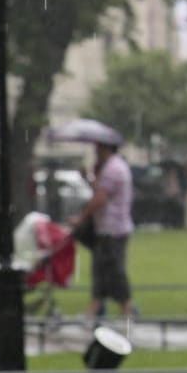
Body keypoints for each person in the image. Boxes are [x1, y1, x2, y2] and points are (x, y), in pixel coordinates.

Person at [70, 138, 134, 322]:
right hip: (108, 229)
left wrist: (81, 218)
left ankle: (126, 312)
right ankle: (93, 311)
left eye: (97, 146)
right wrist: (87, 178)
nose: (95, 150)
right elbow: (101, 191)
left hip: (112, 230)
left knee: (113, 272)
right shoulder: (112, 167)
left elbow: (100, 198)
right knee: (101, 273)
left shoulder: (113, 169)